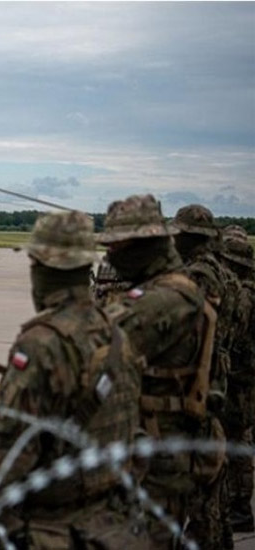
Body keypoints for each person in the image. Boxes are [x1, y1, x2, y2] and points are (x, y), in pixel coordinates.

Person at [0, 210, 146, 549]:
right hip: (110, 526)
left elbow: (5, 459)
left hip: (55, 531)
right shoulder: (116, 332)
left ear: (42, 270)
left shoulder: (42, 344)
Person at [96, 195, 223, 548]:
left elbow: (88, 347)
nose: (109, 257)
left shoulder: (165, 300)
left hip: (156, 462)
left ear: (144, 246)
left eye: (117, 248)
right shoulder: (172, 287)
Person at [170, 204, 237, 548]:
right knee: (211, 481)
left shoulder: (197, 276)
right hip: (214, 379)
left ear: (188, 236)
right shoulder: (223, 272)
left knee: (195, 486)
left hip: (195, 384)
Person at [219, 226, 255, 533]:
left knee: (236, 441)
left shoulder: (243, 296)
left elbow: (234, 336)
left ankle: (240, 507)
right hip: (247, 378)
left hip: (240, 379)